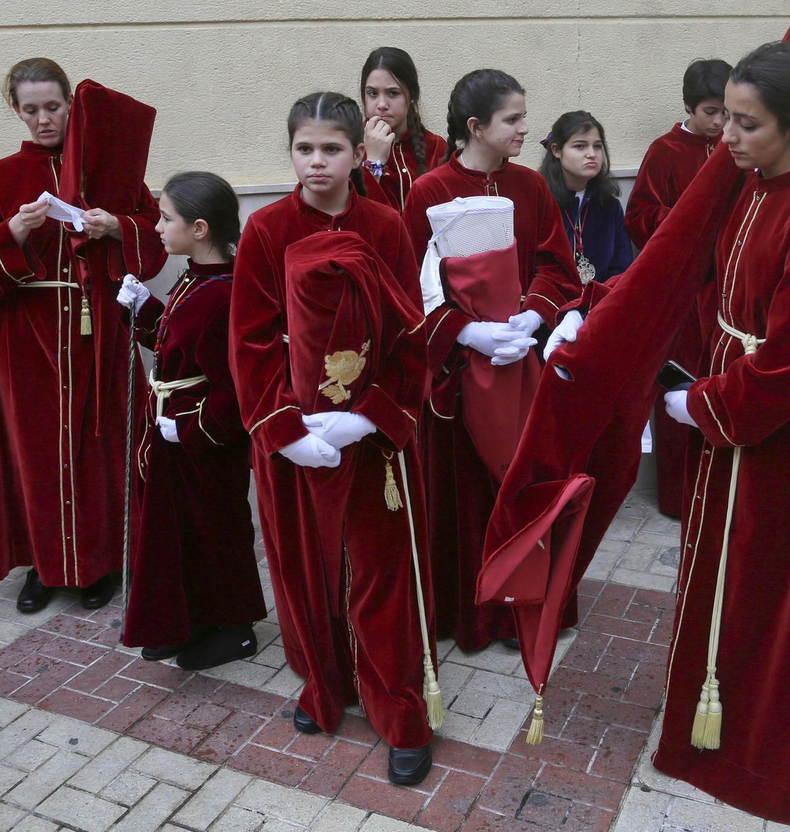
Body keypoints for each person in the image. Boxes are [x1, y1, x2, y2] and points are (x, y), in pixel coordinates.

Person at [652, 41, 790, 825]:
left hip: (781, 434)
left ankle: (772, 754)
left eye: (748, 123)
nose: (728, 137)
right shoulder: (752, 188)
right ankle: (711, 715)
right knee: (722, 573)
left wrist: (706, 407)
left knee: (774, 586)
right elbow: (719, 294)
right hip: (731, 404)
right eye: (728, 120)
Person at [230, 92, 437, 786]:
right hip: (298, 434)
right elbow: (251, 341)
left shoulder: (385, 225)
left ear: (358, 152)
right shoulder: (265, 229)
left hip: (370, 437)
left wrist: (373, 412)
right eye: (304, 148)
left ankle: (397, 704)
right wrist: (282, 429)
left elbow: (413, 333)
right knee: (306, 567)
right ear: (290, 151)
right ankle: (324, 683)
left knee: (380, 574)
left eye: (332, 149)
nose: (317, 161)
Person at [0, 59, 166, 614]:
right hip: (26, 334)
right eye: (31, 110)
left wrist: (114, 227)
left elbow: (154, 243)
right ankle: (45, 566)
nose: (43, 119)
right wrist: (13, 231)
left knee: (100, 445)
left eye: (53, 107)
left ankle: (100, 563)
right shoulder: (0, 177)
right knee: (35, 453)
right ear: (16, 111)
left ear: (71, 106)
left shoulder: (112, 170)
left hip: (97, 324)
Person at [403, 70, 583, 652]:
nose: (526, 129)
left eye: (525, 116)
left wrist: (534, 315)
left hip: (523, 369)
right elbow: (409, 289)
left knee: (523, 485)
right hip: (459, 378)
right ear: (476, 127)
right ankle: (473, 613)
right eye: (514, 119)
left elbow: (557, 266)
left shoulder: (530, 187)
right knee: (470, 495)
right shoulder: (429, 191)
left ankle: (523, 607)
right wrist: (465, 333)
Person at [114, 172, 264, 668]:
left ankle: (236, 626)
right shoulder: (195, 278)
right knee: (181, 534)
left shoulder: (224, 293)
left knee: (215, 531)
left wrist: (192, 428)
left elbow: (235, 386)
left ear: (199, 228)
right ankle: (191, 619)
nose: (157, 227)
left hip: (204, 444)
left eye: (165, 218)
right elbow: (176, 341)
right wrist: (143, 309)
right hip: (173, 435)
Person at [625, 58, 731, 517]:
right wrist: (688, 222)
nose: (721, 121)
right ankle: (680, 497)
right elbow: (639, 215)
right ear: (689, 106)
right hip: (683, 298)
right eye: (711, 111)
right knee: (680, 391)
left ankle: (720, 491)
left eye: (727, 111)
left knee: (722, 387)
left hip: (726, 292)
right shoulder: (666, 150)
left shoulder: (736, 147)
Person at [539, 110, 632, 283]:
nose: (591, 154)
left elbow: (621, 268)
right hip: (551, 304)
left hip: (601, 304)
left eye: (597, 146)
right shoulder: (541, 203)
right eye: (580, 146)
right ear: (557, 150)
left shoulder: (609, 206)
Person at [360, 47, 449, 212]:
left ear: (412, 95)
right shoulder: (351, 147)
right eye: (372, 93)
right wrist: (374, 162)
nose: (381, 105)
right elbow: (356, 212)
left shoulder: (436, 146)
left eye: (393, 93)